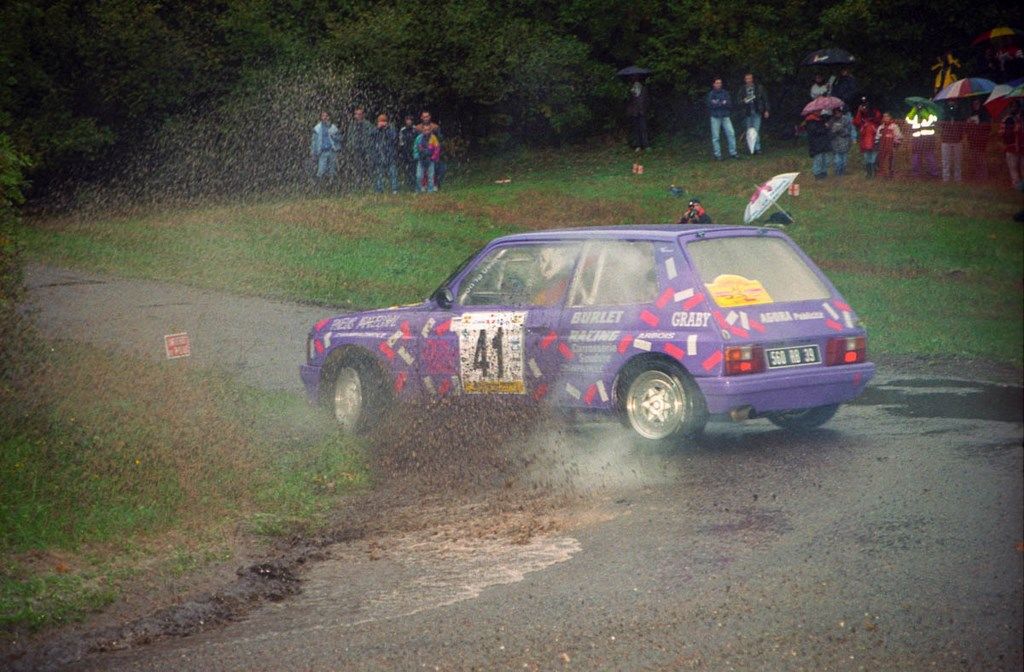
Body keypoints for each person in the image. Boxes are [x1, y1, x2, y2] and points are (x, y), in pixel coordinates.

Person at [735, 72, 769, 154]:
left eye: (750, 78)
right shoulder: (742, 89)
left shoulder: (759, 88)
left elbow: (765, 100)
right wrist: (744, 101)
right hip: (747, 113)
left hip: (757, 112)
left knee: (756, 131)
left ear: (752, 79)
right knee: (748, 131)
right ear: (745, 80)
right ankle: (750, 149)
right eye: (747, 79)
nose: (748, 80)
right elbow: (738, 101)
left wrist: (766, 110)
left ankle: (757, 148)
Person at [706, 77, 737, 160]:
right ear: (713, 84)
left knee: (731, 134)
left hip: (725, 116)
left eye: (720, 83)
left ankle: (733, 153)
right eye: (717, 83)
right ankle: (717, 155)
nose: (719, 84)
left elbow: (729, 104)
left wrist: (718, 103)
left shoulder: (725, 93)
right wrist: (722, 103)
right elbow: (710, 105)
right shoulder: (711, 94)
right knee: (716, 136)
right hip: (715, 117)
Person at [344, 106, 374, 188]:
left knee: (368, 167)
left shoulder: (368, 124)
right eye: (357, 114)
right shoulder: (352, 125)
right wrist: (350, 146)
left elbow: (373, 135)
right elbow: (349, 137)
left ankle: (369, 184)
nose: (358, 116)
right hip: (356, 149)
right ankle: (358, 185)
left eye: (360, 114)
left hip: (366, 149)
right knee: (358, 167)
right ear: (354, 115)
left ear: (363, 115)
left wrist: (370, 145)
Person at [906, 105, 938, 178]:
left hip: (927, 138)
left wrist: (920, 110)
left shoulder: (929, 114)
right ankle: (918, 173)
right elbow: (908, 119)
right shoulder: (916, 115)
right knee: (918, 156)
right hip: (920, 138)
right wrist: (914, 110)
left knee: (928, 156)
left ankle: (933, 173)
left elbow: (935, 119)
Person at [310, 111, 341, 186]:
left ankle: (332, 186)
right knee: (321, 170)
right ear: (321, 117)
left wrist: (334, 138)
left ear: (329, 117)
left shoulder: (333, 127)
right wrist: (313, 152)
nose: (325, 118)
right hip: (322, 152)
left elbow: (339, 138)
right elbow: (314, 141)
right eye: (323, 116)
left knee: (332, 170)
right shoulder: (317, 128)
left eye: (326, 116)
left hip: (332, 151)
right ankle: (319, 186)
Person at [370, 114, 399, 194]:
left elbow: (394, 137)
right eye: (380, 121)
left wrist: (386, 129)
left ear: (387, 122)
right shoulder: (375, 129)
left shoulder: (391, 128)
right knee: (379, 174)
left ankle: (395, 189)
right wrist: (378, 128)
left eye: (384, 121)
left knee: (393, 173)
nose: (382, 123)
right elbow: (371, 135)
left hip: (390, 155)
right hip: (379, 155)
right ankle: (379, 189)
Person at [964, 99, 991, 180]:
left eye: (977, 103)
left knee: (981, 158)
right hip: (972, 140)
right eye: (974, 103)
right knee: (974, 158)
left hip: (981, 140)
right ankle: (977, 175)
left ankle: (984, 176)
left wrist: (978, 125)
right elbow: (967, 128)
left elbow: (988, 127)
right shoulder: (971, 113)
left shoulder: (984, 114)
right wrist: (968, 123)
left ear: (980, 103)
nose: (975, 105)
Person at [938, 102, 964, 183]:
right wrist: (948, 116)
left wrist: (956, 114)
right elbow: (940, 124)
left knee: (958, 161)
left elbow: (963, 124)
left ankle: (958, 179)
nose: (952, 105)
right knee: (945, 161)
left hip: (957, 140)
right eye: (950, 102)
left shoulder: (960, 113)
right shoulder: (943, 113)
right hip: (946, 140)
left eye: (954, 102)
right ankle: (946, 179)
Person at [855, 101, 880, 178]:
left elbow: (878, 118)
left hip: (873, 142)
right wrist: (859, 111)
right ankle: (870, 173)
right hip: (865, 143)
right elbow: (856, 121)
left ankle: (872, 173)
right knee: (868, 158)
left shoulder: (874, 119)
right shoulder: (863, 122)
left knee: (872, 157)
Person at [413, 124, 441, 193]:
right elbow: (415, 147)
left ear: (430, 130)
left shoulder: (433, 138)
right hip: (421, 160)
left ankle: (430, 190)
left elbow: (437, 148)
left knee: (431, 176)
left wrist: (434, 157)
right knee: (419, 176)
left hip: (430, 160)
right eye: (425, 130)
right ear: (422, 130)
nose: (427, 131)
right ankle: (418, 190)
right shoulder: (419, 138)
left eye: (428, 130)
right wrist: (416, 155)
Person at [626, 75, 650, 152]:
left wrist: (645, 109)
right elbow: (629, 102)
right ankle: (638, 145)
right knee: (636, 129)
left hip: (642, 112)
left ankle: (646, 145)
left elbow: (647, 100)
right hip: (634, 113)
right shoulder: (631, 90)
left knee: (644, 129)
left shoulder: (644, 90)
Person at [875, 112, 903, 178]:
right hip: (882, 146)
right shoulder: (881, 127)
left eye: (887, 116)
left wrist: (896, 142)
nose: (885, 118)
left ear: (890, 117)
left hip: (891, 146)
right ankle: (882, 173)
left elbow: (899, 136)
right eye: (884, 116)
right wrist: (877, 143)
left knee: (891, 160)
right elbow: (877, 136)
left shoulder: (894, 126)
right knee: (881, 159)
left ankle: (891, 173)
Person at [827, 105, 853, 176]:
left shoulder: (846, 119)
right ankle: (838, 173)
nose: (837, 114)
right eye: (836, 113)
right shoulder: (831, 121)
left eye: (839, 112)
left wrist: (841, 129)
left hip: (844, 142)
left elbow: (848, 131)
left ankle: (843, 172)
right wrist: (833, 130)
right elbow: (829, 133)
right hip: (835, 144)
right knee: (837, 160)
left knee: (844, 160)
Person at [1002, 101, 1023, 188]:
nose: (1013, 108)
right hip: (1011, 147)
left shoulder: (1021, 118)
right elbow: (1005, 134)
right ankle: (1017, 186)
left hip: (1021, 148)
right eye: (1012, 106)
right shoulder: (1008, 119)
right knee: (1013, 169)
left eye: (1015, 106)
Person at [805, 111, 832, 179]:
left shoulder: (820, 119)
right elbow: (816, 131)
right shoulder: (811, 121)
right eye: (818, 111)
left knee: (825, 159)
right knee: (818, 160)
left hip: (823, 143)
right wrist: (825, 127)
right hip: (816, 144)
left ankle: (824, 173)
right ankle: (817, 174)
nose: (820, 112)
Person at [398, 115, 418, 190]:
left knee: (414, 169)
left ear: (412, 121)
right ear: (405, 121)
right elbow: (401, 142)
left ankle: (414, 185)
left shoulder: (415, 129)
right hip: (405, 152)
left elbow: (418, 140)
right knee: (407, 170)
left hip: (414, 152)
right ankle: (408, 184)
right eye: (407, 120)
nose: (409, 121)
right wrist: (401, 152)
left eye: (410, 120)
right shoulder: (402, 130)